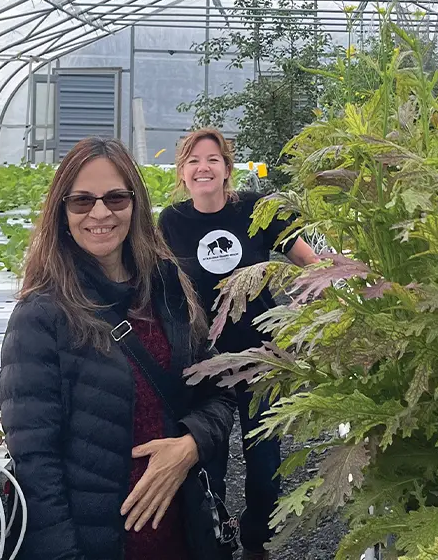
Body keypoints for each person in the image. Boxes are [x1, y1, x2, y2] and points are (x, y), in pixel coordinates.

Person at [0, 136, 237, 560]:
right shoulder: (42, 316)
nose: (101, 213)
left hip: (185, 534)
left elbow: (217, 391)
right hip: (101, 545)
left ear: (136, 204)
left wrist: (190, 445)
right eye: (82, 201)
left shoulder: (167, 287)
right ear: (61, 212)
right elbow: (36, 465)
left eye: (116, 198)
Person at [156, 129, 320, 560]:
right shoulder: (171, 221)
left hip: (260, 354)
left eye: (212, 159)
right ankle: (215, 537)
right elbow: (156, 284)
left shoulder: (255, 210)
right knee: (207, 460)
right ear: (183, 173)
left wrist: (337, 295)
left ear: (227, 169)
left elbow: (307, 261)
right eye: (193, 161)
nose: (203, 167)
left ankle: (256, 543)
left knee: (264, 460)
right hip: (202, 360)